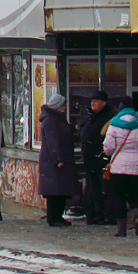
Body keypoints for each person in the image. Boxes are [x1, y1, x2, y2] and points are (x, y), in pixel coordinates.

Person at [103, 98, 138, 237]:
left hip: (118, 168)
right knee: (135, 196)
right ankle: (137, 217)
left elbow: (109, 148)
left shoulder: (113, 125)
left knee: (119, 197)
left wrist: (108, 153)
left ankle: (121, 230)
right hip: (137, 167)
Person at [39, 93, 77, 227]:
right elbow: (52, 141)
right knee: (55, 191)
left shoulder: (56, 119)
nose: (65, 107)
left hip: (57, 161)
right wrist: (58, 159)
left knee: (59, 190)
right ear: (57, 106)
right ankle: (55, 217)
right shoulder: (51, 120)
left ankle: (56, 217)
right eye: (63, 105)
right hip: (54, 163)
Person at [77, 90, 114, 225]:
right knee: (92, 189)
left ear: (103, 103)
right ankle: (92, 214)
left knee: (103, 189)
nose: (93, 103)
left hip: (101, 159)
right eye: (92, 101)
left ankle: (104, 214)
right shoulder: (89, 116)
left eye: (96, 101)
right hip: (90, 159)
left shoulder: (108, 118)